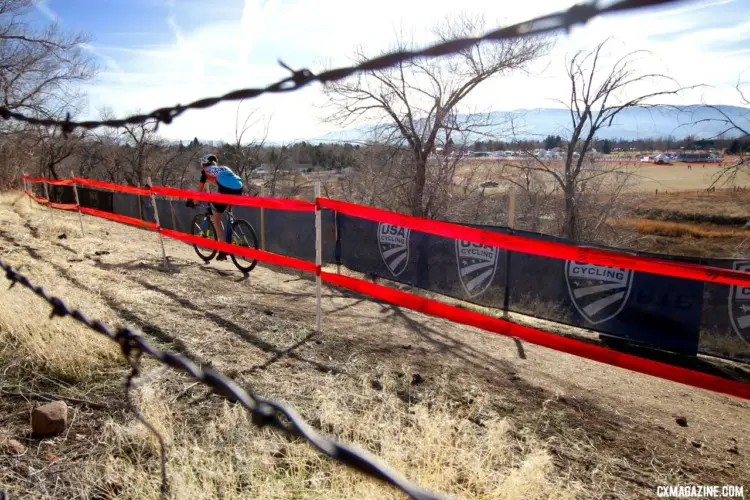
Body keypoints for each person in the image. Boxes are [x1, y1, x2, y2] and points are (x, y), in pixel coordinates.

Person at [187, 154, 243, 261]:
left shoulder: (205, 171)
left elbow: (199, 191)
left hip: (226, 189)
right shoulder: (224, 168)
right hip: (239, 187)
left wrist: (194, 202)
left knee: (216, 217)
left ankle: (222, 249)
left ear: (204, 164)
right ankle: (233, 230)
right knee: (225, 208)